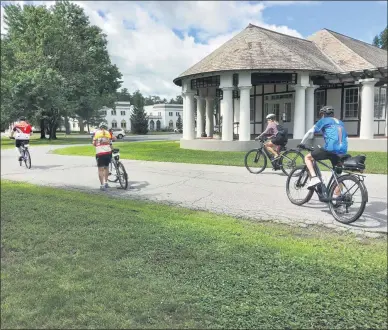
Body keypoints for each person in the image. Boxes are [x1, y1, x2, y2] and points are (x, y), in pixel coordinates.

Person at [299, 105, 348, 189]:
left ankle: (314, 178)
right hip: (343, 150)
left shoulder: (324, 121)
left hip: (330, 148)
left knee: (307, 158)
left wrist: (302, 143)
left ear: (323, 114)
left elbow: (310, 132)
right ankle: (340, 194)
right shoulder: (340, 122)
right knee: (337, 174)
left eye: (321, 115)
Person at [93, 123, 113, 191]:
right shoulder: (108, 133)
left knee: (100, 169)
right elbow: (110, 143)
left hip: (100, 153)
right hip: (108, 153)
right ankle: (106, 183)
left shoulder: (97, 133)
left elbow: (94, 144)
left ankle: (102, 185)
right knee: (106, 168)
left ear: (100, 128)